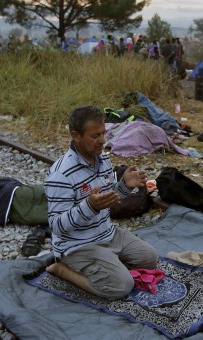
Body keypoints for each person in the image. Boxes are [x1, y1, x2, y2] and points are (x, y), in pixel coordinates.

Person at [44, 106, 157, 300]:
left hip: (107, 234)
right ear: (76, 136)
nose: (102, 141)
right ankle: (62, 270)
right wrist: (89, 207)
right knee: (121, 286)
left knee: (150, 259)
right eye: (95, 136)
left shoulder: (102, 159)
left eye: (103, 133)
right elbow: (56, 226)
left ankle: (108, 261)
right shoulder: (60, 175)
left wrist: (124, 186)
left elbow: (110, 199)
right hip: (78, 245)